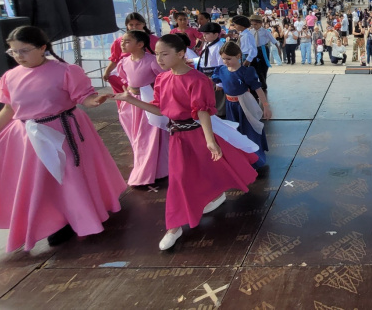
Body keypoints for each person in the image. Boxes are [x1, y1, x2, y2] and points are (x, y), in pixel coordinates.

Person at [0, 26, 126, 252]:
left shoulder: (66, 71)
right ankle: (52, 221)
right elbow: (9, 108)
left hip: (61, 131)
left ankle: (72, 218)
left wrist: (94, 101)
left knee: (67, 177)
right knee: (40, 181)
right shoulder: (10, 76)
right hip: (27, 135)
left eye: (24, 50)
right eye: (13, 52)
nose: (19, 56)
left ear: (42, 48)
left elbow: (84, 98)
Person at [114, 34, 259, 250]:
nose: (159, 59)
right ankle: (174, 226)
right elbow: (161, 110)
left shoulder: (198, 80)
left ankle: (215, 196)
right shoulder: (162, 79)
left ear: (181, 53)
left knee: (210, 169)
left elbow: (202, 112)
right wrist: (131, 100)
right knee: (179, 179)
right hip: (177, 137)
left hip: (197, 134)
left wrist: (210, 141)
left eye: (165, 54)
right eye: (157, 54)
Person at [115, 30, 169, 187]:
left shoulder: (152, 61)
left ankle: (151, 172)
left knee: (148, 138)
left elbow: (165, 79)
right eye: (122, 41)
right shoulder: (124, 62)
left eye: (127, 41)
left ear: (140, 44)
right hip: (131, 104)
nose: (122, 44)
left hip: (148, 102)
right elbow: (125, 79)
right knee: (137, 138)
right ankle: (149, 169)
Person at [212, 42, 271, 169]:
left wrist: (266, 105)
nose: (226, 61)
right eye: (223, 58)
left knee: (250, 130)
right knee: (235, 132)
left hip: (244, 104)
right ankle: (240, 158)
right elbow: (218, 84)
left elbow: (258, 89)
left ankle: (256, 158)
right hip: (230, 106)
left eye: (229, 59)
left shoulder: (245, 72)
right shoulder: (221, 70)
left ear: (238, 56)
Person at [103, 13, 159, 95]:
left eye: (137, 24)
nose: (134, 27)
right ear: (127, 26)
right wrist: (107, 71)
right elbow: (115, 59)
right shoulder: (123, 58)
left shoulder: (154, 45)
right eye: (131, 25)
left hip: (150, 87)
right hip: (131, 88)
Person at [249, 15, 276, 91]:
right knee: (253, 66)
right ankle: (255, 83)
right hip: (253, 50)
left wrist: (278, 47)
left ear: (260, 23)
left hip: (263, 49)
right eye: (252, 24)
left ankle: (263, 82)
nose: (254, 26)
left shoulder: (265, 31)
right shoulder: (250, 32)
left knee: (264, 66)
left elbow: (272, 39)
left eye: (256, 24)